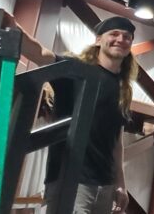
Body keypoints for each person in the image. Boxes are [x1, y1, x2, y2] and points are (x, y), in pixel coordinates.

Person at [33, 16, 136, 214]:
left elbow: (116, 140)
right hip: (71, 179)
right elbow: (42, 54)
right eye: (114, 34)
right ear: (98, 40)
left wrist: (120, 183)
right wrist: (11, 27)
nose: (121, 39)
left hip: (104, 184)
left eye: (127, 37)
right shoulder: (77, 70)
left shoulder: (122, 88)